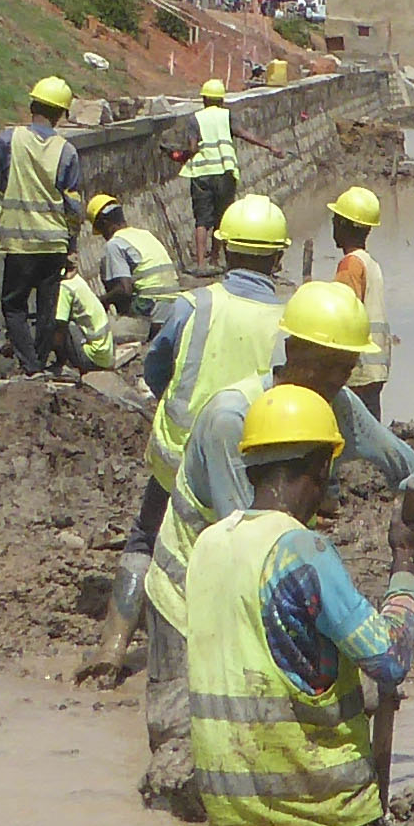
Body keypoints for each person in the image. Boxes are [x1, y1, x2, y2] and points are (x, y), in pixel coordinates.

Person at [139, 279, 414, 797]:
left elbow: (409, 470)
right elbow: (249, 547)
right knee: (182, 736)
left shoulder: (337, 406)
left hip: (261, 567)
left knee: (267, 720)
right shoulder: (234, 420)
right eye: (323, 365)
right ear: (292, 351)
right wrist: (354, 614)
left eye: (343, 369)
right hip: (191, 582)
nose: (332, 380)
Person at [182, 385, 414, 826]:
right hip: (317, 816)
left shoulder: (208, 547)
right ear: (320, 469)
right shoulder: (300, 551)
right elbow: (387, 658)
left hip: (234, 820)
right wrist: (404, 570)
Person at [121, 193, 292, 624]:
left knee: (146, 539)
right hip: (245, 465)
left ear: (224, 249)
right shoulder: (287, 321)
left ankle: (114, 642)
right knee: (238, 552)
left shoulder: (193, 304)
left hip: (175, 455)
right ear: (277, 259)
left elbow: (156, 368)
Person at [0, 75, 83, 370]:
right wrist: (72, 247)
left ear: (32, 104)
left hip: (19, 242)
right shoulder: (67, 151)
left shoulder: (10, 140)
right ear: (61, 114)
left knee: (14, 305)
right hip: (54, 243)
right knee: (47, 308)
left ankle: (30, 365)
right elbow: (73, 206)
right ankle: (42, 362)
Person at [322, 185, 392, 409]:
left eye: (335, 219)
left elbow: (342, 316)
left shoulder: (350, 265)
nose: (332, 224)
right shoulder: (371, 263)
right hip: (375, 368)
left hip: (357, 369)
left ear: (343, 224)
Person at [84, 189, 175, 346]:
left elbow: (124, 290)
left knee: (97, 334)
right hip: (172, 305)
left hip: (150, 310)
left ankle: (135, 326)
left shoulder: (114, 244)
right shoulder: (145, 234)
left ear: (105, 224)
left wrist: (100, 301)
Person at [181, 78, 244, 267]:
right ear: (222, 100)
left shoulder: (195, 118)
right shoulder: (227, 116)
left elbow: (192, 149)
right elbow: (243, 133)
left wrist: (178, 155)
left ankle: (201, 264)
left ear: (204, 100)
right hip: (225, 172)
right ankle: (216, 260)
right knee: (221, 219)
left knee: (201, 221)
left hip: (201, 174)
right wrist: (270, 146)